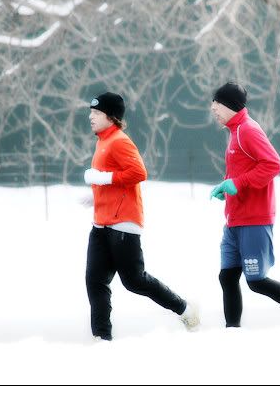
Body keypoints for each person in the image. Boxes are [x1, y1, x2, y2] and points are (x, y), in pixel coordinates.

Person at [82, 91, 199, 341]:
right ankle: (102, 338)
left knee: (134, 281)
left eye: (96, 113)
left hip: (123, 223)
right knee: (95, 281)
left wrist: (104, 178)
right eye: (90, 112)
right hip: (101, 223)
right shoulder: (103, 141)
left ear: (111, 117)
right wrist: (97, 194)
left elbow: (138, 172)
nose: (90, 117)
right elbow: (116, 180)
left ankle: (184, 309)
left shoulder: (119, 141)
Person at [209, 82, 280, 328]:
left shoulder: (248, 130)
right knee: (227, 276)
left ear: (230, 105)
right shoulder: (234, 132)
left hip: (254, 219)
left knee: (256, 281)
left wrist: (237, 184)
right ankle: (232, 332)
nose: (213, 109)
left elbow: (273, 164)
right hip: (234, 219)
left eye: (217, 104)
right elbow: (242, 170)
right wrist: (226, 187)